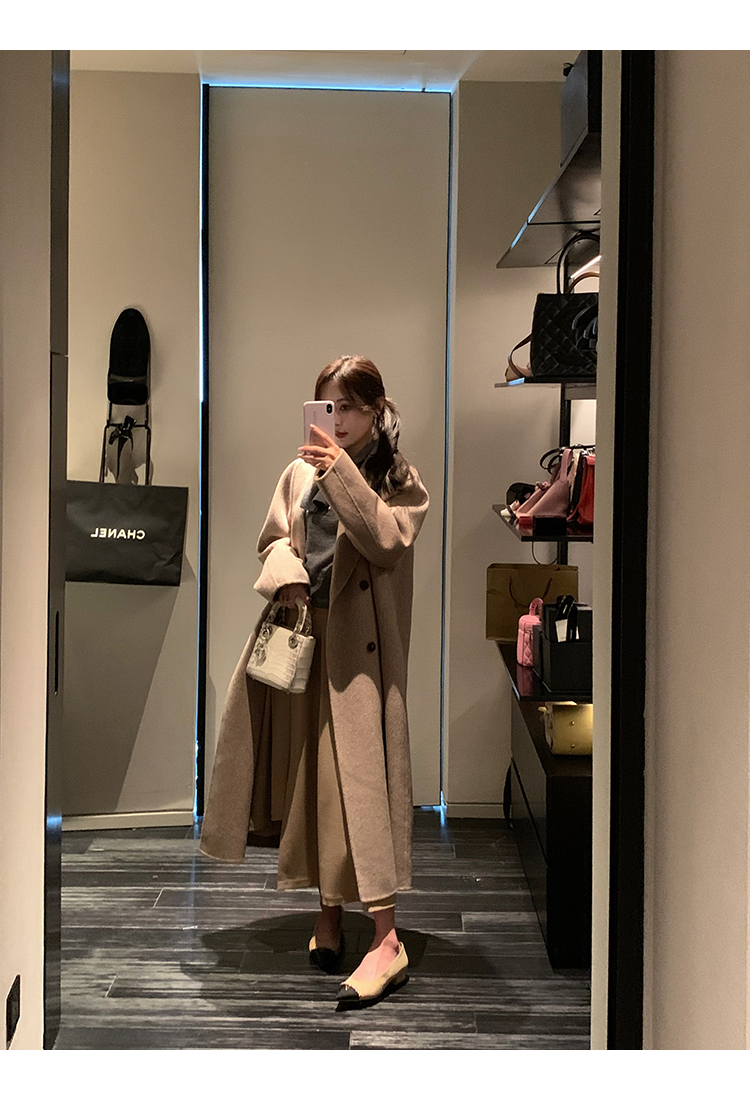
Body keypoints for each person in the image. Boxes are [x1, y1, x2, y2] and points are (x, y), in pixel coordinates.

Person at [200, 354, 429, 1003]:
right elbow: (273, 538)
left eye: (350, 406)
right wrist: (288, 576)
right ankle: (328, 915)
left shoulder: (398, 479)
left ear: (377, 410)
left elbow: (386, 542)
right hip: (304, 639)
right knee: (313, 784)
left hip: (361, 658)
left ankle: (386, 938)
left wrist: (342, 473)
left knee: (361, 790)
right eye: (330, 405)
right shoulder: (299, 471)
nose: (340, 418)